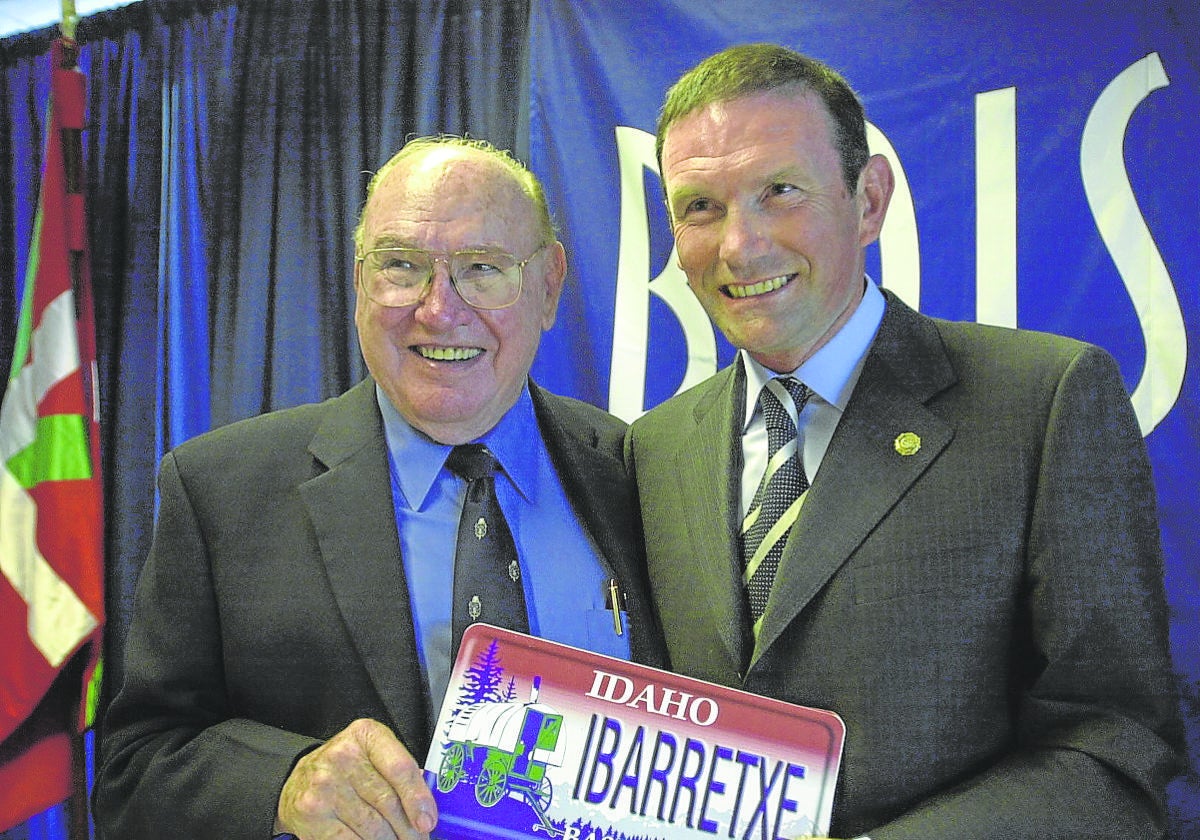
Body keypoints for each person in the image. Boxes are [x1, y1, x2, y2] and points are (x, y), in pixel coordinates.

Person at [625, 44, 1183, 838]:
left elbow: (1116, 747)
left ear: (870, 199)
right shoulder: (653, 447)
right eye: (700, 207)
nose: (739, 246)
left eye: (779, 191)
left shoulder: (1045, 401)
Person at [94, 136, 665, 840]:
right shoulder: (221, 490)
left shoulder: (635, 472)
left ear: (549, 286)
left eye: (482, 268)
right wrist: (283, 784)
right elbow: (133, 770)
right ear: (360, 281)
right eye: (402, 266)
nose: (438, 309)